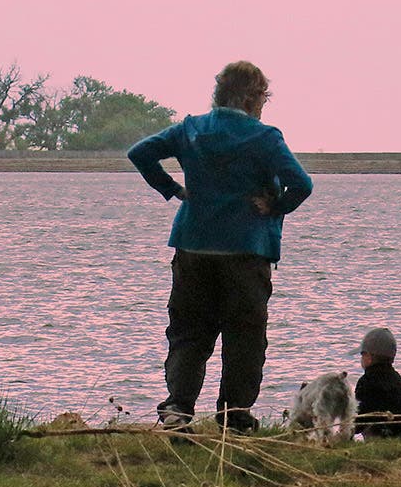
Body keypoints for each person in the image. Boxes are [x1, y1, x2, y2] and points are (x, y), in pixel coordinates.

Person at [127, 61, 313, 433]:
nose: (263, 106)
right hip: (246, 252)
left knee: (188, 333)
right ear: (251, 98)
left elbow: (140, 153)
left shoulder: (190, 129)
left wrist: (173, 189)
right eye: (263, 99)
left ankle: (178, 408)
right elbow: (302, 184)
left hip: (193, 248)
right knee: (245, 337)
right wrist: (275, 206)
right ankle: (235, 416)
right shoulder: (265, 137)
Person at [353, 327, 401, 438]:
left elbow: (360, 421)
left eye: (362, 355)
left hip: (386, 437)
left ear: (368, 357)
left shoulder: (366, 382)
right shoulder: (397, 379)